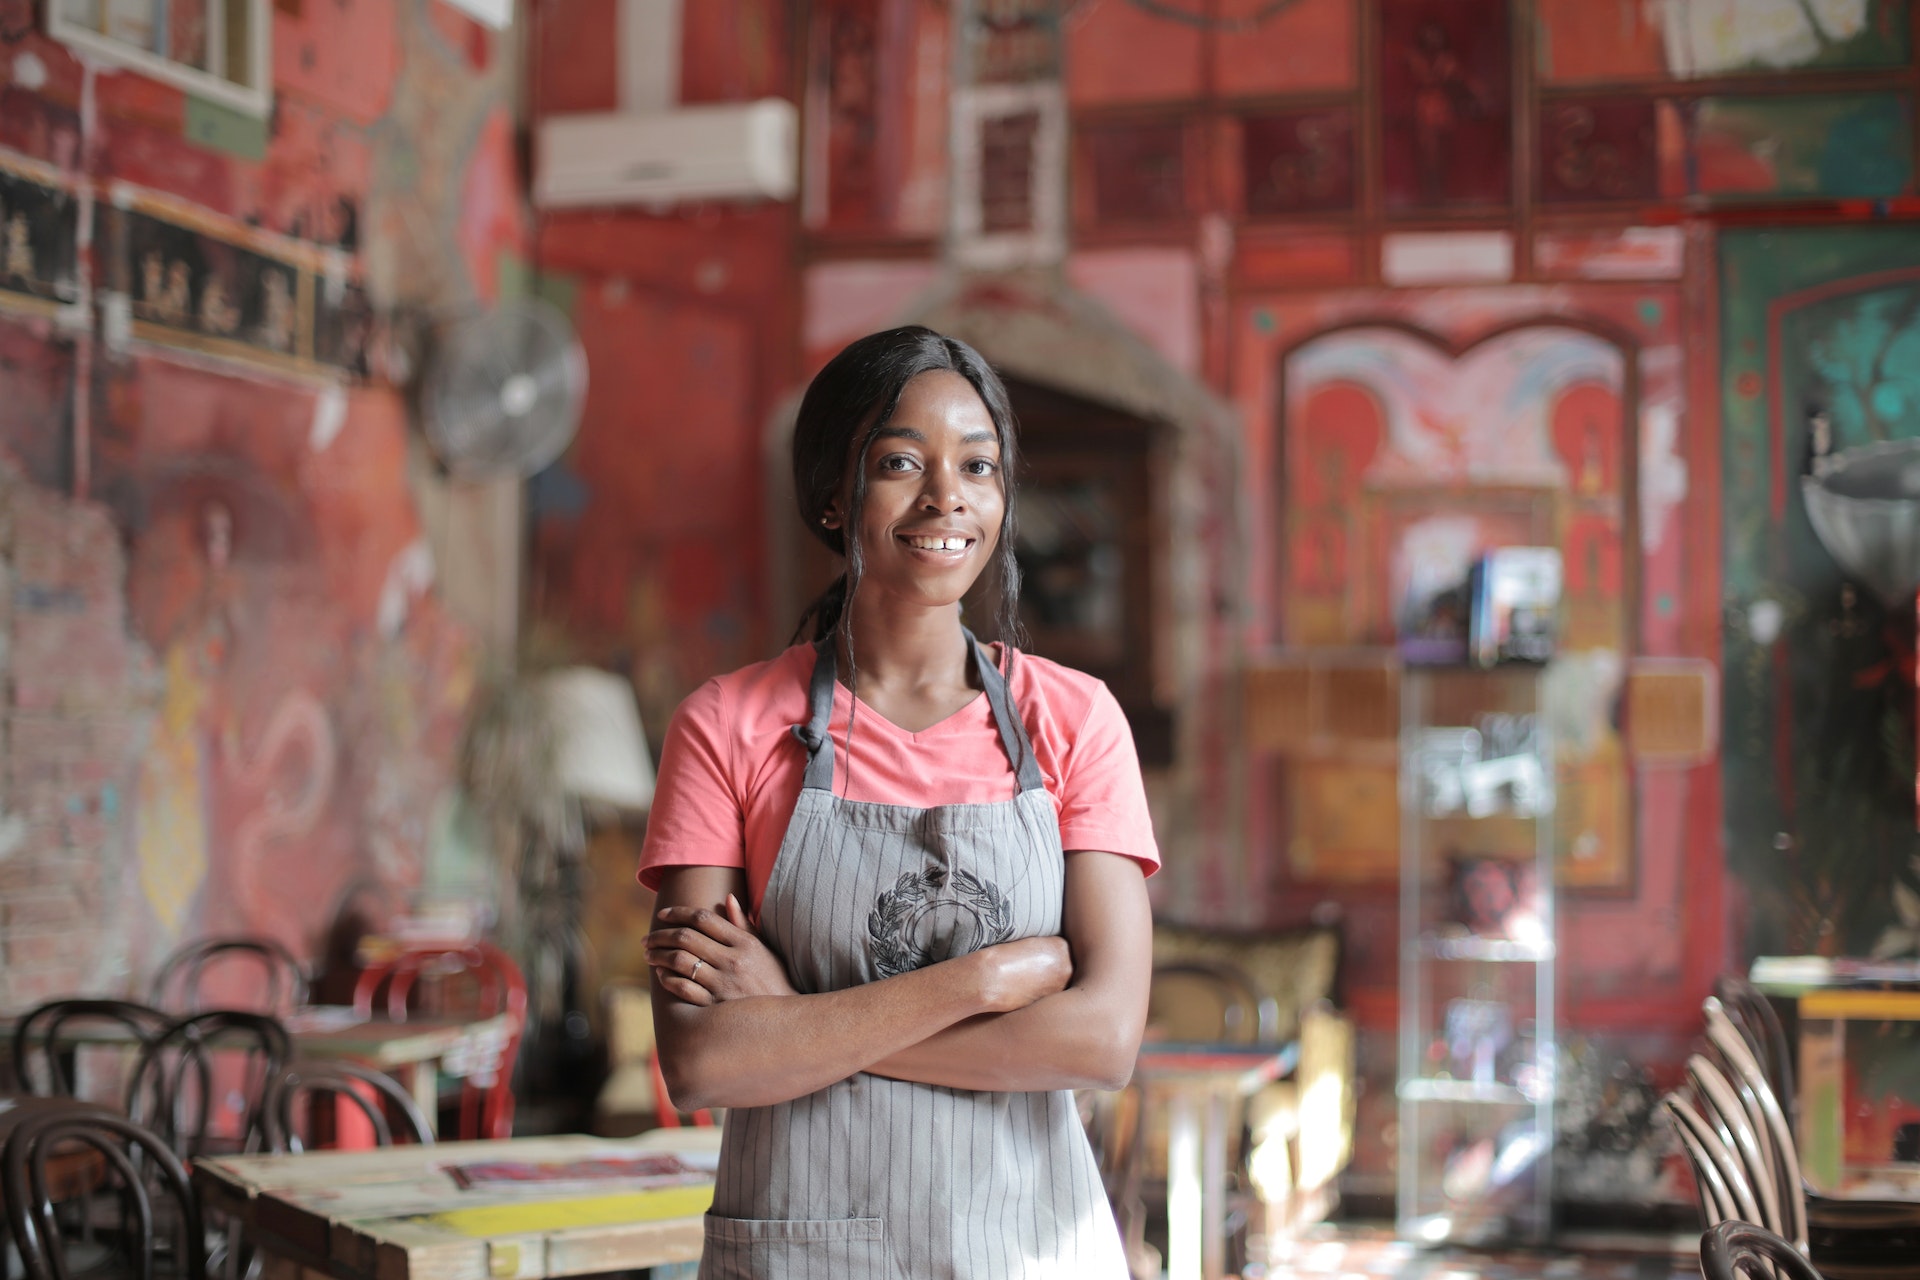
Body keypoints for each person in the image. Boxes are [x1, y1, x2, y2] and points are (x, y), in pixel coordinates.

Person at [638, 325, 1158, 1279]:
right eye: (899, 462)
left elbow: (1102, 1039)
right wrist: (980, 984)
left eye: (978, 465)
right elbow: (707, 1064)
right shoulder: (727, 725)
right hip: (804, 1253)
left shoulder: (1074, 720)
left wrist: (795, 1022)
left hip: (1032, 1249)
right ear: (835, 498)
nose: (946, 496)